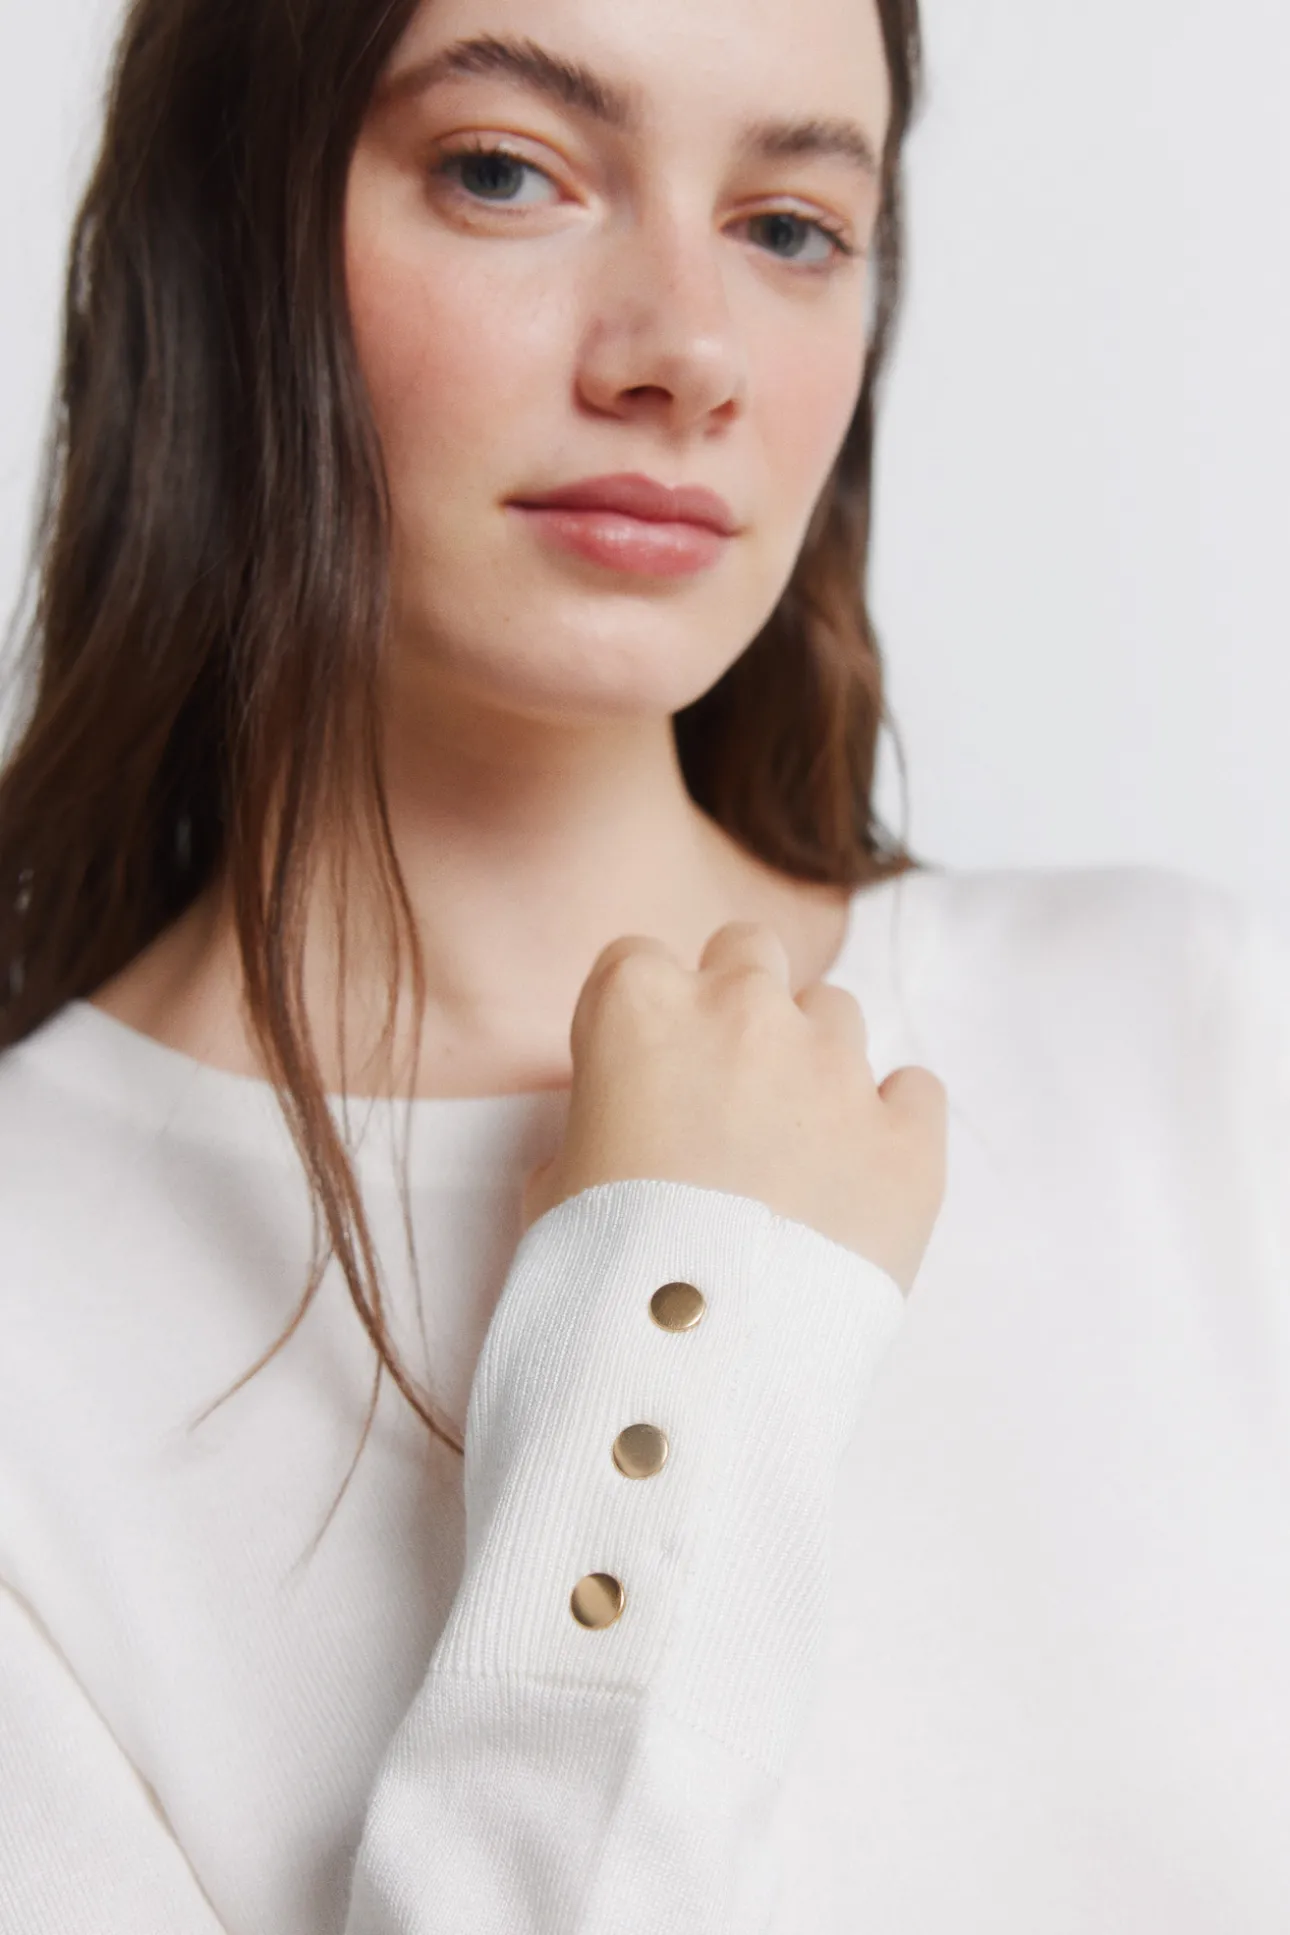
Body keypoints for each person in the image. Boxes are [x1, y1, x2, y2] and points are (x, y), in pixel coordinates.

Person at [0, 0, 1286, 1926]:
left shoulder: (1192, 1045)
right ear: (217, 223)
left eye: (787, 225)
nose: (687, 354)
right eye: (503, 171)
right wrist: (689, 1314)